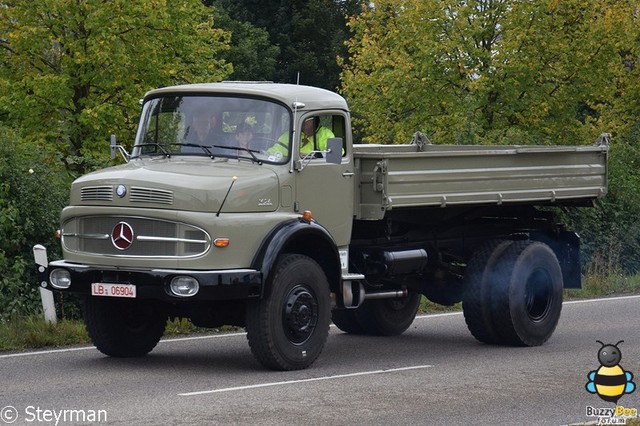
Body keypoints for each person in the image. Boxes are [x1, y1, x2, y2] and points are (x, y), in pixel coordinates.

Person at [267, 116, 334, 160]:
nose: (304, 124)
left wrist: (311, 156)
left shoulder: (325, 134)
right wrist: (268, 154)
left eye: (307, 120)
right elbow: (275, 149)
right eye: (302, 120)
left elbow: (333, 154)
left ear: (315, 121)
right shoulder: (290, 134)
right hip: (288, 166)